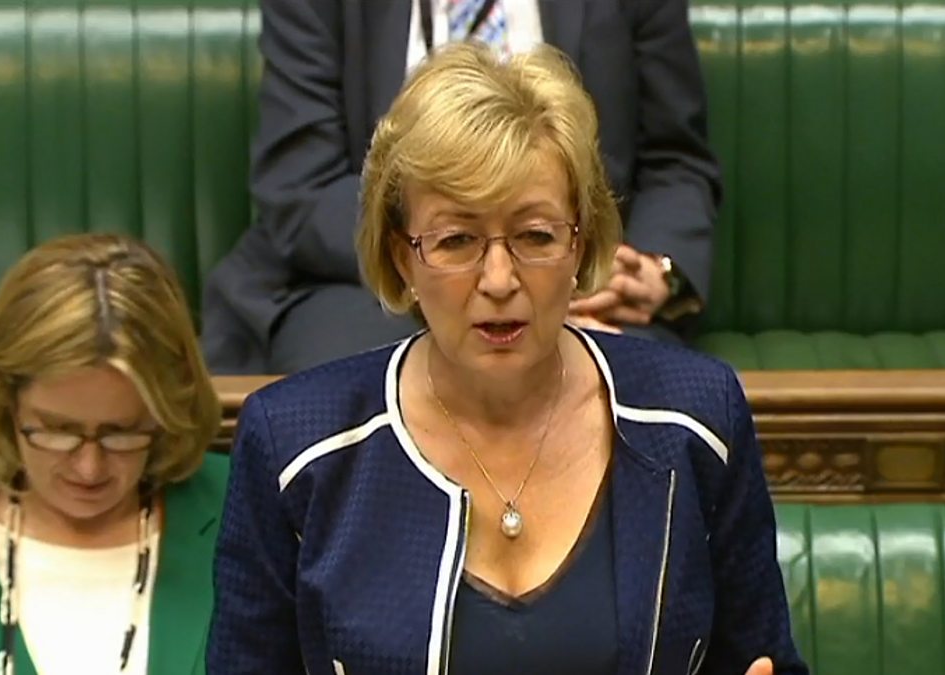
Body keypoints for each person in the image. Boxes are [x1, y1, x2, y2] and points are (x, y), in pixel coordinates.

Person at [207, 43, 805, 675]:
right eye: (457, 240)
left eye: (535, 236)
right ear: (404, 258)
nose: (498, 279)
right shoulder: (296, 448)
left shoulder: (696, 420)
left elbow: (765, 659)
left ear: (581, 245)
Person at [202, 0, 721, 374]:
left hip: (577, 279)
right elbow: (301, 185)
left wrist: (655, 270)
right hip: (371, 285)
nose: (496, 278)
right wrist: (448, 266)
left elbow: (675, 160)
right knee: (363, 382)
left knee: (634, 385)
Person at [0, 233, 228, 675]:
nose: (89, 468)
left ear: (167, 413)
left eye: (121, 434)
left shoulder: (253, 513)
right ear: (5, 403)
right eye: (56, 431)